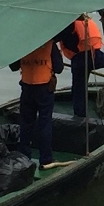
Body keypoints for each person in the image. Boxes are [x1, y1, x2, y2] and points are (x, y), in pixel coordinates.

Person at [58, 14, 104, 118]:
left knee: (78, 90)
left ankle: (80, 115)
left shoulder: (64, 24)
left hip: (80, 60)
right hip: (92, 57)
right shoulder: (72, 23)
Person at [9, 40, 63, 168]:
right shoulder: (50, 43)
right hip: (44, 89)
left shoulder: (22, 44)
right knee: (45, 123)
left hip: (27, 89)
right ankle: (46, 159)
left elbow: (13, 66)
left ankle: (23, 159)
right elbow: (59, 68)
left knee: (26, 124)